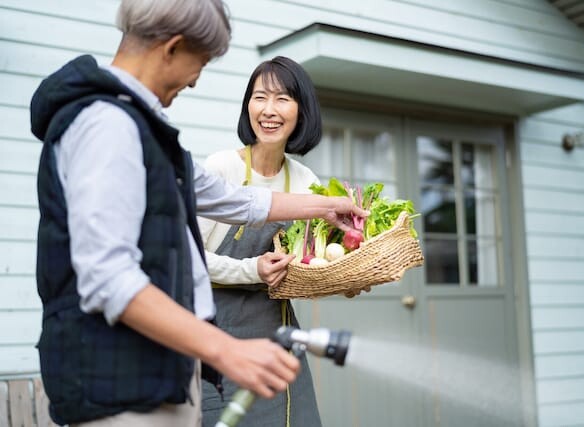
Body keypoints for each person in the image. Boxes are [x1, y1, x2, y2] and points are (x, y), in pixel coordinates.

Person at [28, 1, 367, 426]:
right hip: (117, 382)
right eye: (200, 62)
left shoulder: (144, 129)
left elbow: (237, 200)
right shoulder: (107, 126)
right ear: (172, 47)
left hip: (158, 372)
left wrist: (328, 205)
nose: (194, 81)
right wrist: (226, 349)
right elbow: (108, 278)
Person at [199, 56, 323, 427]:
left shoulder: (306, 181)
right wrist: (253, 269)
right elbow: (190, 258)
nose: (269, 110)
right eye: (260, 97)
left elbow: (313, 265)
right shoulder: (222, 169)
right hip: (217, 346)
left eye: (283, 98)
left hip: (280, 346)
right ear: (247, 106)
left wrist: (344, 279)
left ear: (301, 111)